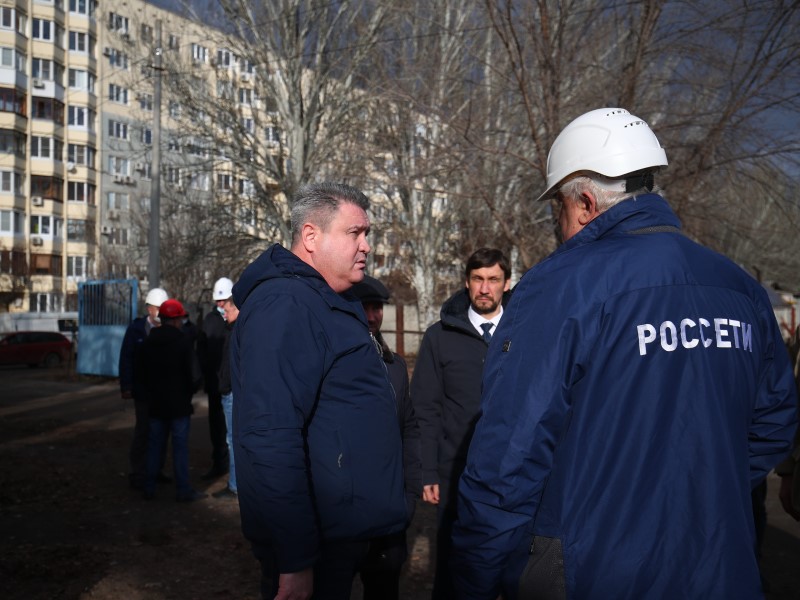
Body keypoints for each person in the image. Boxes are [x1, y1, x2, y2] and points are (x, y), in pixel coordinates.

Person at [451, 107, 799, 599]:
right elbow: (773, 424)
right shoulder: (740, 289)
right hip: (718, 565)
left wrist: (471, 580)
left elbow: (510, 457)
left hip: (593, 570)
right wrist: (697, 492)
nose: (563, 226)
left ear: (587, 202)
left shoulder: (560, 287)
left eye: (562, 210)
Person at [231, 182, 408, 600]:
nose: (366, 246)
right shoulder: (285, 305)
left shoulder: (326, 300)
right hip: (319, 544)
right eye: (354, 233)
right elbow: (270, 436)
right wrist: (296, 559)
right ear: (311, 236)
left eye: (367, 234)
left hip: (350, 529)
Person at [410, 247, 511, 599]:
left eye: (493, 280)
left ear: (506, 283)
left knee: (510, 567)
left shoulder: (524, 333)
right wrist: (428, 473)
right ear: (467, 284)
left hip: (512, 471)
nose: (485, 288)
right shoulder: (439, 336)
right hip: (455, 472)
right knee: (454, 567)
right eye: (478, 280)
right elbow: (425, 407)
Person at [350, 275, 422, 600]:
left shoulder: (394, 368)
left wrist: (408, 497)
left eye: (377, 307)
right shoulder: (333, 363)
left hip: (387, 514)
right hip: (342, 513)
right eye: (364, 306)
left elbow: (409, 430)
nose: (372, 315)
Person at [137, 299, 205, 502]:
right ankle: (183, 490)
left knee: (155, 445)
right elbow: (195, 375)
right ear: (176, 320)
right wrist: (189, 391)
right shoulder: (183, 342)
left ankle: (149, 487)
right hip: (179, 405)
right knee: (180, 448)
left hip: (156, 405)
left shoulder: (149, 342)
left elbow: (141, 374)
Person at [119, 286, 169, 490]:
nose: (159, 312)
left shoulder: (168, 330)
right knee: (143, 431)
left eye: (162, 308)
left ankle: (156, 470)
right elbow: (126, 358)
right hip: (142, 391)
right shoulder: (136, 330)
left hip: (163, 392)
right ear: (149, 308)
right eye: (157, 308)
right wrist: (127, 385)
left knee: (161, 432)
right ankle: (137, 472)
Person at [196, 277, 232, 480]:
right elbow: (201, 349)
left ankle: (233, 469)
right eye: (217, 301)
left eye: (223, 300)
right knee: (216, 427)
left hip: (230, 384)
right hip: (214, 383)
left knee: (230, 429)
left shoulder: (237, 319)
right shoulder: (210, 320)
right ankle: (219, 463)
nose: (220, 304)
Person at [212, 284, 240, 500]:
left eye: (228, 311)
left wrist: (225, 387)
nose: (225, 314)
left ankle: (235, 485)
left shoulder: (236, 333)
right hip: (229, 391)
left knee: (233, 440)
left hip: (231, 393)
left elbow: (231, 366)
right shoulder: (232, 331)